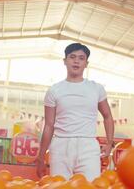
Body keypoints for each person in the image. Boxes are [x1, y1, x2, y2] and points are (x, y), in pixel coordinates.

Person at [36, 43, 114, 181]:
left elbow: (107, 116)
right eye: (72, 57)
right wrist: (41, 156)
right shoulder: (54, 90)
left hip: (88, 146)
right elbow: (49, 125)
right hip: (60, 146)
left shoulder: (96, 89)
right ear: (65, 61)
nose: (76, 61)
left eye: (81, 58)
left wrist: (109, 144)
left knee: (89, 185)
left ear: (86, 63)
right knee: (60, 185)